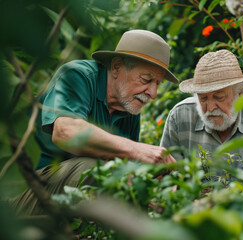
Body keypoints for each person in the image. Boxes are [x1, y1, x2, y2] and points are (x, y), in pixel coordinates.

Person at [13, 29, 178, 215]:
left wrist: (150, 186)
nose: (153, 93)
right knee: (92, 169)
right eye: (147, 79)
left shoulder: (129, 107)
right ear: (116, 67)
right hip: (22, 195)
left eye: (158, 83)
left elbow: (122, 166)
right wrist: (137, 149)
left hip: (66, 197)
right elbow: (65, 133)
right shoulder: (77, 75)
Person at [160, 49, 243, 180]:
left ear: (241, 94)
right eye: (203, 98)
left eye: (219, 97)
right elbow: (166, 174)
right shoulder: (180, 117)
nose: (210, 107)